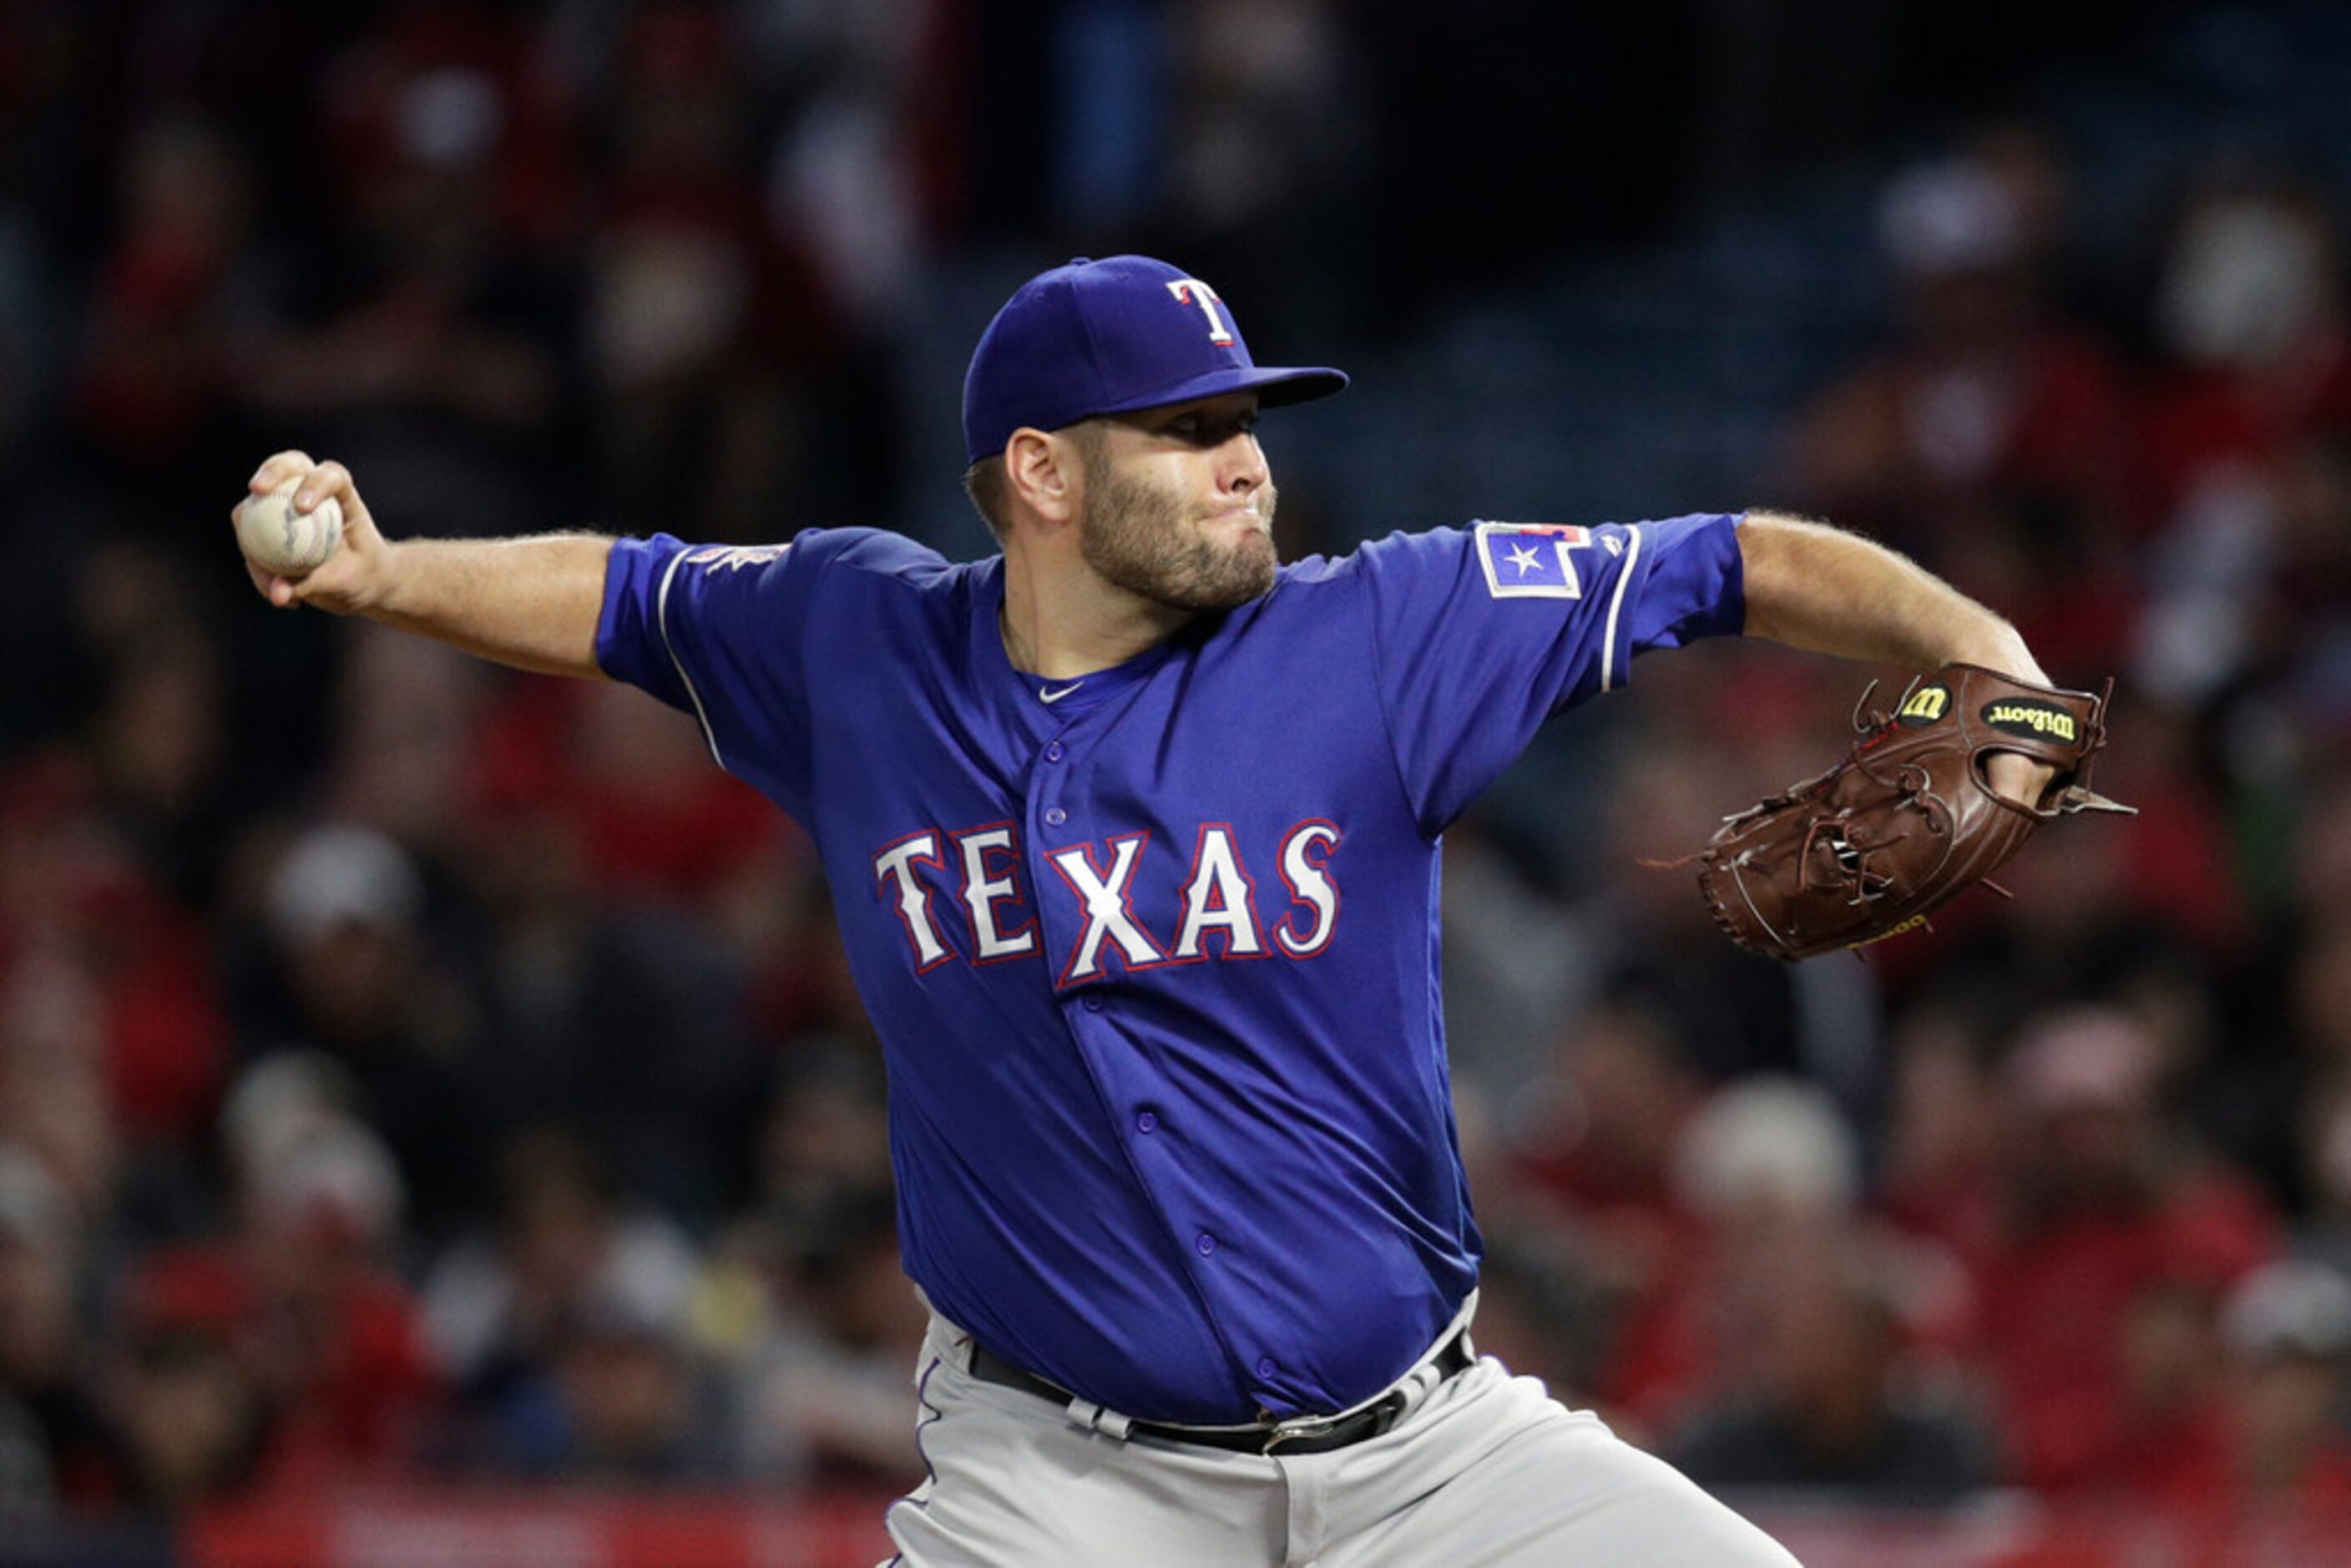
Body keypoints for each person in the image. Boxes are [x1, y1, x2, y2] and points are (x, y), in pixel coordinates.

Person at [233, 254, 2065, 1564]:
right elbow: (621, 594)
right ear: (1041, 472)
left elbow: (1731, 560)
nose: (1245, 458)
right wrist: (381, 575)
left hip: (1430, 1464)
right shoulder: (859, 640)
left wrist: (1985, 652)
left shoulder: (1379, 632)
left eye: (1247, 419)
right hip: (1063, 1491)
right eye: (1187, 427)